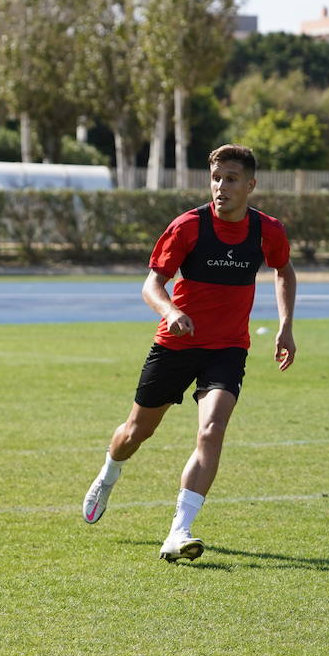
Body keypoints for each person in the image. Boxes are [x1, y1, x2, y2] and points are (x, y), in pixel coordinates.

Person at [81, 144, 296, 563]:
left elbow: (283, 269)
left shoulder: (267, 230)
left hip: (228, 349)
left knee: (212, 430)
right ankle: (108, 475)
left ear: (250, 185)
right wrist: (171, 310)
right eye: (216, 178)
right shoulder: (188, 226)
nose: (221, 187)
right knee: (135, 433)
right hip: (175, 345)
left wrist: (286, 326)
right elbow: (151, 285)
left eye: (231, 179)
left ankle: (179, 531)